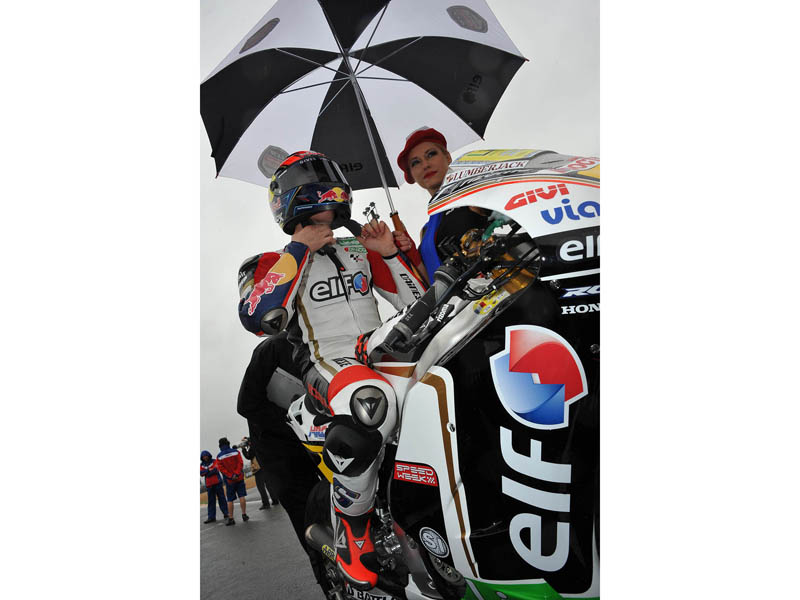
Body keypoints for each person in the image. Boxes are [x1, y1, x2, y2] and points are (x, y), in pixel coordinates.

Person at [237, 151, 425, 590]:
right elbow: (259, 317)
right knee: (370, 403)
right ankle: (351, 530)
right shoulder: (268, 262)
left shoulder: (358, 248)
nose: (327, 185)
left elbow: (417, 304)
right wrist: (299, 250)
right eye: (315, 178)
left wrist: (388, 255)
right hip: (327, 360)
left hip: (377, 348)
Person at [237, 331, 329, 594]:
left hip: (318, 443)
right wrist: (293, 420)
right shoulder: (271, 349)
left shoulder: (326, 347)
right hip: (280, 454)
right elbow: (245, 405)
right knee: (306, 515)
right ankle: (328, 579)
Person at [394, 126, 490, 276]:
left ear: (447, 157)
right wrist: (407, 253)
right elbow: (432, 282)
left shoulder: (471, 194)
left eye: (431, 154)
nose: (425, 165)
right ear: (412, 175)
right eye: (415, 162)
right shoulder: (426, 232)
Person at [240, 436, 279, 509]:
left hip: (258, 469)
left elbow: (249, 456)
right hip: (265, 466)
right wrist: (247, 439)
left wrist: (243, 449)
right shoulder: (258, 444)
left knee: (261, 487)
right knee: (269, 485)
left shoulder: (252, 447)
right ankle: (275, 500)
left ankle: (266, 504)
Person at [216, 437, 249, 526]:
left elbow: (221, 469)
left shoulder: (219, 456)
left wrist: (230, 476)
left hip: (229, 481)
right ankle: (244, 514)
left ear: (220, 445)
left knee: (230, 500)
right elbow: (240, 463)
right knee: (241, 496)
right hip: (239, 478)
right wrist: (236, 474)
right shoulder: (236, 452)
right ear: (228, 443)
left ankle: (231, 518)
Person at [200, 450, 229, 523]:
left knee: (222, 499)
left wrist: (207, 472)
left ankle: (226, 513)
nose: (205, 457)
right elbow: (201, 473)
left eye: (206, 456)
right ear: (202, 458)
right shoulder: (201, 465)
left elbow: (216, 470)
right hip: (209, 485)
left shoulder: (214, 461)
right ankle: (211, 517)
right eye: (203, 457)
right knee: (211, 501)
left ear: (208, 455)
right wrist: (209, 470)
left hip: (217, 483)